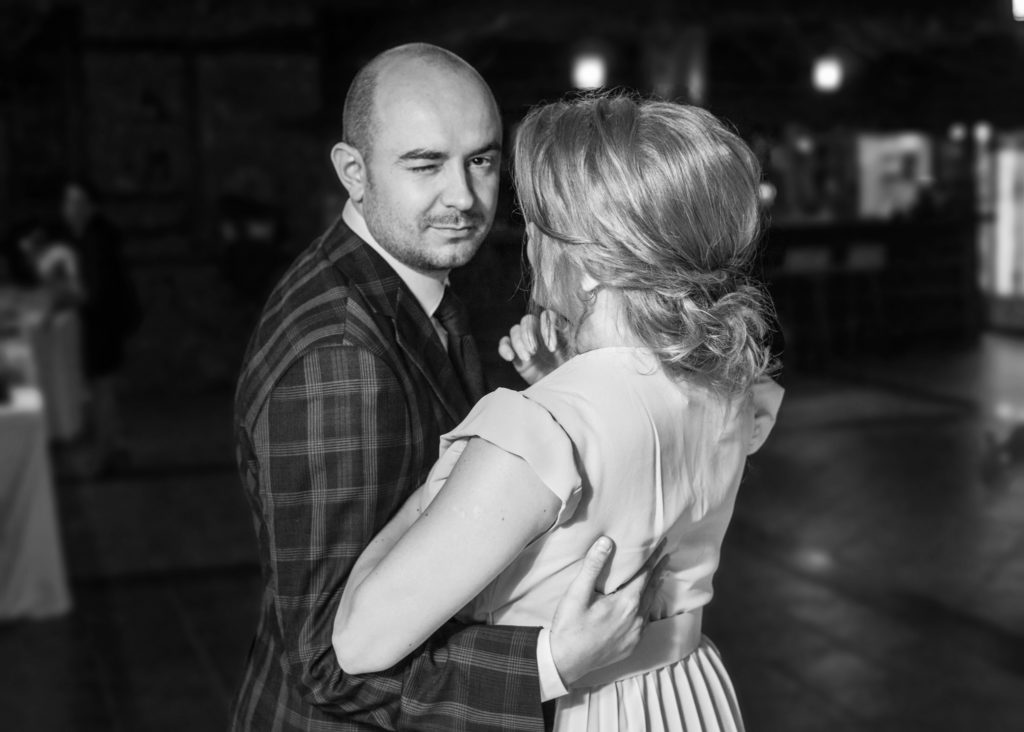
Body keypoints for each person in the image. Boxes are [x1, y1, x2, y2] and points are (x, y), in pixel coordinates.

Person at [231, 45, 659, 732]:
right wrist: (548, 662)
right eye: (425, 164)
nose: (462, 196)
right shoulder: (341, 356)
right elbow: (327, 662)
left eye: (481, 160)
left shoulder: (406, 284)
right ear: (353, 172)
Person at [332, 94, 785, 731]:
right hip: (686, 694)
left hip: (575, 711)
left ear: (595, 262)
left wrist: (447, 480)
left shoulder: (539, 429)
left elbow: (358, 641)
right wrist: (562, 382)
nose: (530, 243)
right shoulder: (729, 385)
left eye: (541, 225)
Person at [59, 180, 141, 467]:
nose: (70, 209)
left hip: (103, 325)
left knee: (101, 389)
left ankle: (104, 452)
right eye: (68, 202)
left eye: (76, 202)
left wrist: (64, 296)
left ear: (90, 206)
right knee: (103, 389)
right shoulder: (90, 237)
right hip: (103, 323)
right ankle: (114, 446)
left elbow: (94, 292)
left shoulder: (96, 240)